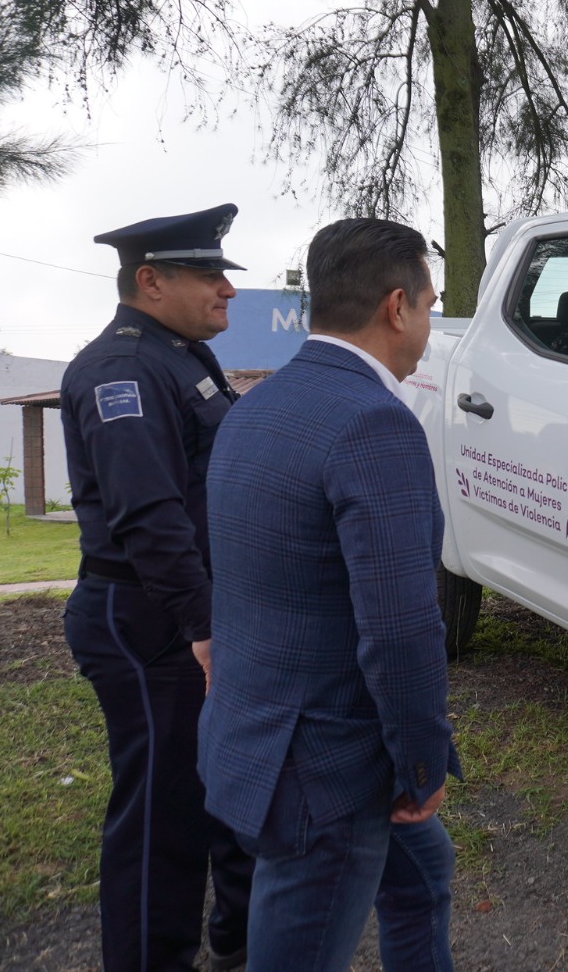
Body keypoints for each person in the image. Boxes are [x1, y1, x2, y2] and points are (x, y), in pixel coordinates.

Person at [199, 217, 459, 972]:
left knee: (422, 877)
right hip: (329, 770)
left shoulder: (256, 406)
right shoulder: (373, 422)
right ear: (396, 307)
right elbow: (403, 628)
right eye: (431, 306)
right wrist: (420, 767)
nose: (429, 326)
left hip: (258, 733)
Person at [59, 204, 254, 972]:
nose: (227, 290)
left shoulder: (178, 355)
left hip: (182, 609)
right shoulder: (123, 370)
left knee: (219, 786)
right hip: (147, 618)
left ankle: (235, 941)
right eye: (208, 275)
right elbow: (149, 520)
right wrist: (203, 629)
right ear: (151, 280)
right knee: (161, 813)